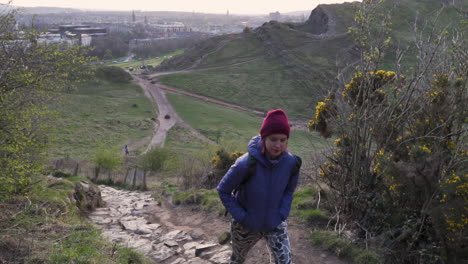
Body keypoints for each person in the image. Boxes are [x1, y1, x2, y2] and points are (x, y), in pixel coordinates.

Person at [217, 109, 300, 264]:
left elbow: (289, 190)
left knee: (286, 262)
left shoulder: (292, 164)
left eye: (283, 140)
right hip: (245, 225)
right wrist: (243, 217)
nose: (278, 145)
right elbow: (223, 190)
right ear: (263, 138)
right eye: (273, 139)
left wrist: (282, 213)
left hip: (275, 223)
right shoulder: (245, 164)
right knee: (237, 260)